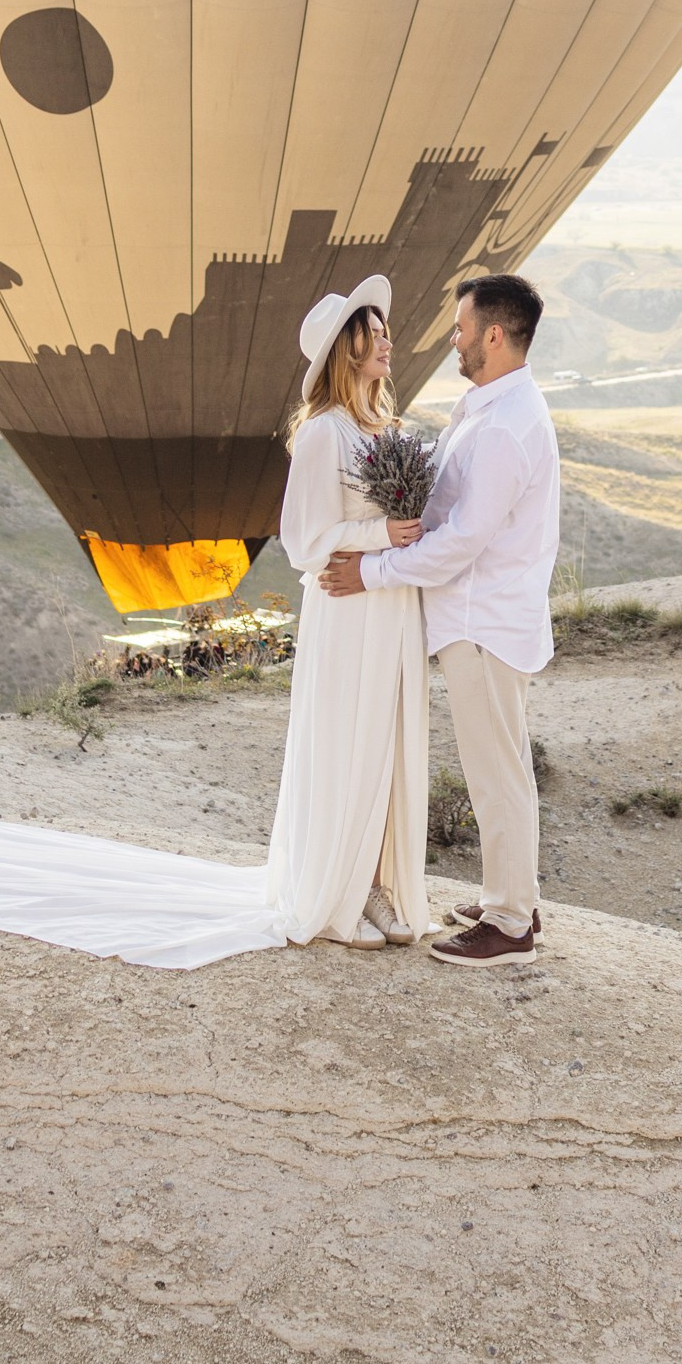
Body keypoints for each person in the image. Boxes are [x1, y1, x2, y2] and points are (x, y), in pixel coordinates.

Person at [321, 273, 557, 968]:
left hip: (481, 623)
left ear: (492, 334)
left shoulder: (506, 428)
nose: (451, 339)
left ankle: (511, 925)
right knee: (500, 766)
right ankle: (509, 898)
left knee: (496, 775)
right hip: (477, 620)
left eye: (459, 329)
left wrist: (370, 572)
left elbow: (459, 541)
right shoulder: (489, 409)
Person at [265, 278, 431, 949]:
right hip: (344, 610)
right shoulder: (322, 435)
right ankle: (342, 891)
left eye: (385, 329)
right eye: (373, 330)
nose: (387, 340)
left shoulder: (388, 430)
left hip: (392, 609)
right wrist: (377, 536)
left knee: (388, 746)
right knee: (348, 740)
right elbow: (302, 540)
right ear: (346, 348)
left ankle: (381, 885)